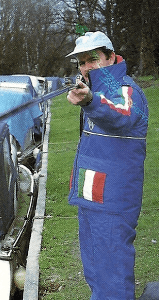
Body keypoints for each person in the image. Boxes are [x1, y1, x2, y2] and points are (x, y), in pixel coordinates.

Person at [66, 31, 149, 299]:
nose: (86, 67)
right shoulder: (96, 91)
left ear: (111, 57)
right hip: (91, 197)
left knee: (113, 277)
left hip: (113, 202)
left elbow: (121, 116)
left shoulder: (126, 90)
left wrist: (90, 100)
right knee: (96, 274)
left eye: (92, 59)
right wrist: (90, 97)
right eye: (81, 62)